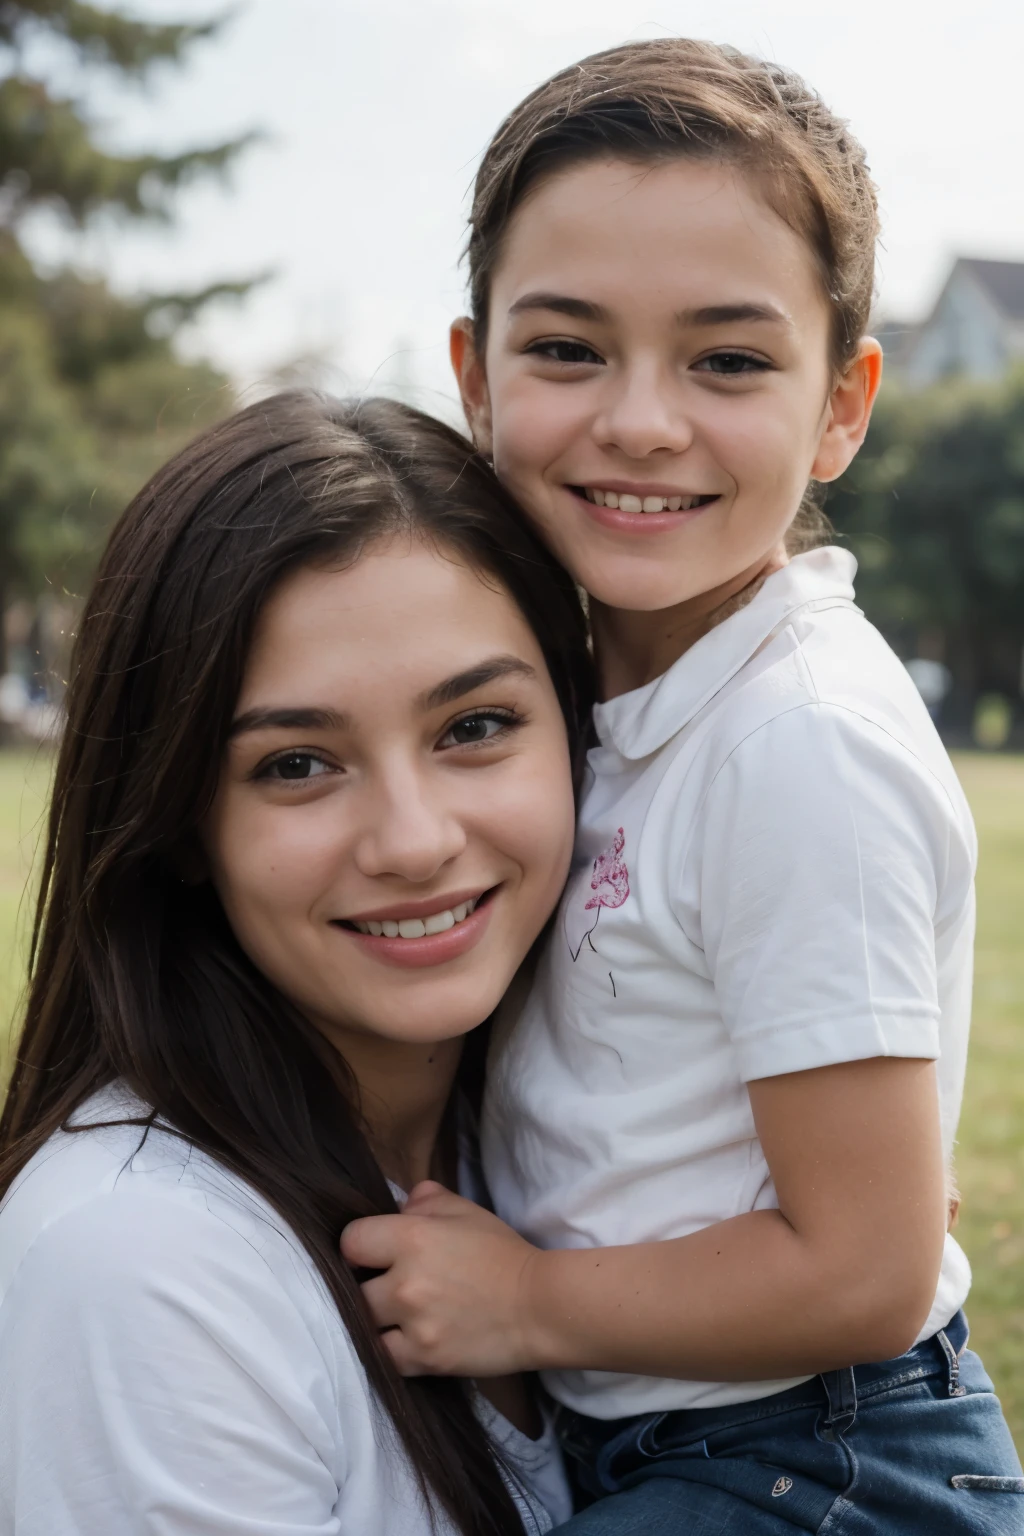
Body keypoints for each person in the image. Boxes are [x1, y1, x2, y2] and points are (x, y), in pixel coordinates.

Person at [341, 40, 1024, 1531]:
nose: (642, 420)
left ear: (842, 405)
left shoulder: (798, 741)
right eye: (569, 349)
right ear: (474, 374)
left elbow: (864, 1270)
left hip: (812, 1461)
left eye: (727, 359)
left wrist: (526, 1302)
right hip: (689, 1431)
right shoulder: (591, 694)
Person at [0, 392, 594, 1536]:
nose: (414, 839)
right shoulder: (144, 1264)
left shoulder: (561, 1145)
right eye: (297, 764)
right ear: (176, 823)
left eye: (473, 727)